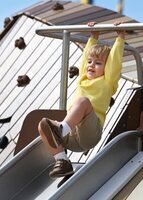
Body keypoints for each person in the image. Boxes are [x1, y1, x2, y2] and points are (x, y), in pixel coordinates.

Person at [38, 21, 125, 178]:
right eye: (90, 62)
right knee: (43, 125)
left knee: (83, 102)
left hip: (90, 133)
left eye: (98, 63)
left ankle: (60, 131)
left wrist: (120, 38)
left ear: (106, 68)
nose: (91, 65)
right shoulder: (82, 79)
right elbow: (85, 59)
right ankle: (62, 161)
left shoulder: (107, 82)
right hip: (72, 136)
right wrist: (93, 37)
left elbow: (114, 63)